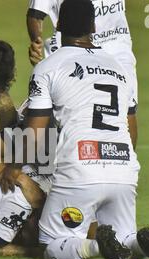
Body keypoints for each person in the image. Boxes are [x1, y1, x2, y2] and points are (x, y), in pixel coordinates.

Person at [22, 0, 149, 259]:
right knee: (124, 235)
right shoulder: (118, 68)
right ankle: (138, 243)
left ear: (59, 25)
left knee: (51, 243)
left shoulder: (47, 68)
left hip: (80, 171)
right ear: (94, 26)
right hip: (124, 171)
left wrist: (17, 168)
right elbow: (131, 130)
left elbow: (34, 136)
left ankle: (97, 247)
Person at [27, 0, 138, 148]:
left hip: (117, 58)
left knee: (122, 118)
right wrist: (37, 41)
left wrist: (12, 169)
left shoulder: (45, 69)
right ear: (94, 27)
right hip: (71, 59)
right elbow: (35, 14)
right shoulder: (50, 68)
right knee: (66, 120)